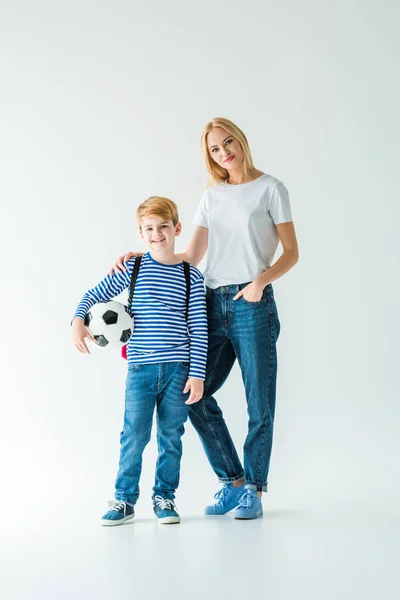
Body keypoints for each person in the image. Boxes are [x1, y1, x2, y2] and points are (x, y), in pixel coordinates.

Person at [110, 118, 299, 520]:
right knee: (192, 393)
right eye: (214, 149)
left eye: (228, 142)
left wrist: (260, 283)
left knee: (259, 402)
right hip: (213, 302)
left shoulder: (271, 189)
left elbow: (291, 253)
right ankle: (231, 480)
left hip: (252, 303)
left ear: (241, 140)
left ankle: (254, 488)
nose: (224, 152)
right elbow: (190, 257)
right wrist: (141, 259)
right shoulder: (212, 196)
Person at [71, 196, 207, 525]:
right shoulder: (132, 268)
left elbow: (199, 327)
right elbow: (94, 295)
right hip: (141, 370)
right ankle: (124, 500)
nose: (157, 233)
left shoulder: (192, 276)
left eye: (163, 227)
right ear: (140, 233)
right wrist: (78, 319)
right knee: (134, 435)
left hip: (179, 370)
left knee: (171, 436)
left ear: (176, 229)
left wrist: (198, 374)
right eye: (149, 228)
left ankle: (164, 497)